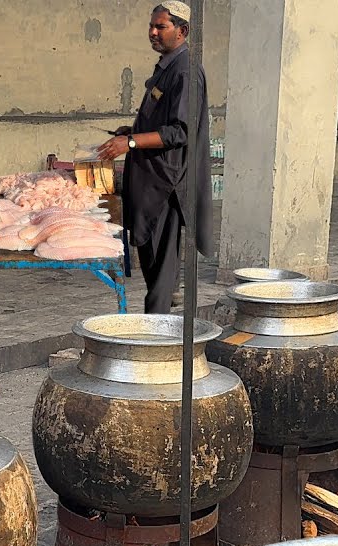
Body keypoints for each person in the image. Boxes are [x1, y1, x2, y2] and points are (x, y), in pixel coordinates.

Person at [96, 1, 213, 314]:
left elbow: (180, 132)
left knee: (160, 278)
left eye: (161, 27)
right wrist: (131, 130)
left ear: (182, 30)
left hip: (166, 185)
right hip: (151, 183)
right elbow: (160, 121)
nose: (153, 32)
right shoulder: (168, 65)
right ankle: (161, 322)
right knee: (154, 269)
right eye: (152, 26)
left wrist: (131, 142)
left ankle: (155, 337)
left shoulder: (186, 71)